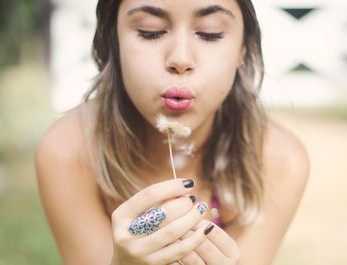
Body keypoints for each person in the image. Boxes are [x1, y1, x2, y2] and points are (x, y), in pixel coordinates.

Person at [35, 0, 310, 264]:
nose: (180, 59)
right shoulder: (69, 151)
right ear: (113, 41)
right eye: (150, 31)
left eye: (209, 33)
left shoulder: (278, 161)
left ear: (243, 49)